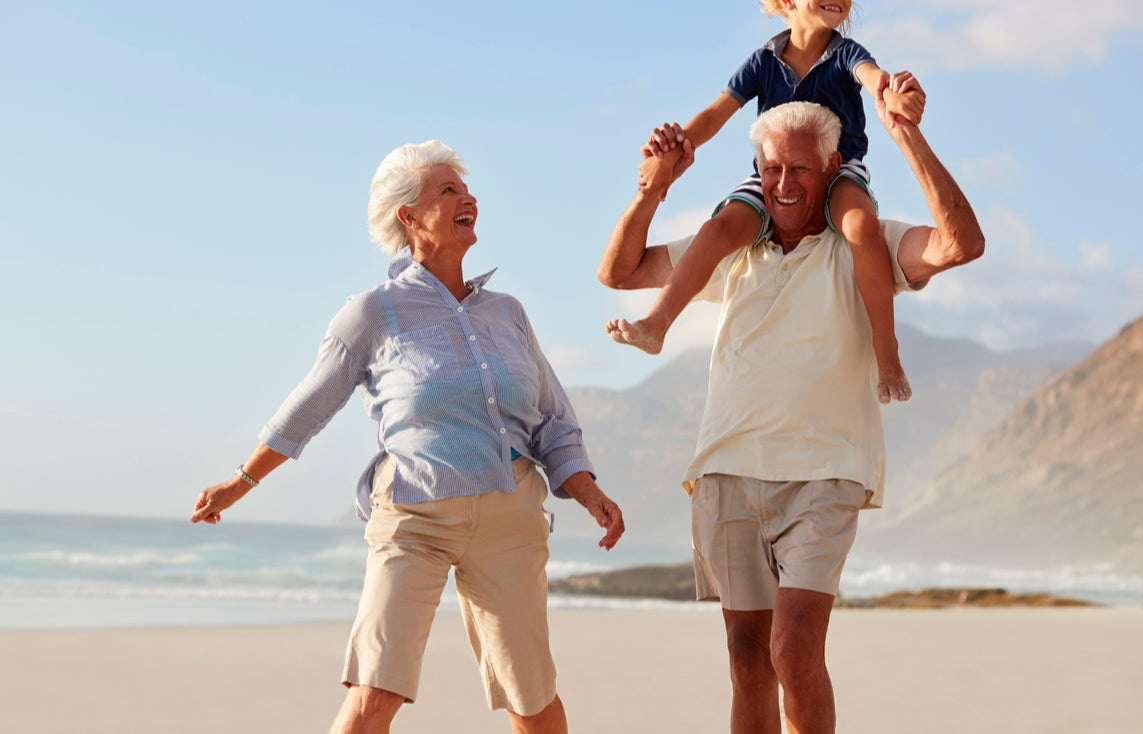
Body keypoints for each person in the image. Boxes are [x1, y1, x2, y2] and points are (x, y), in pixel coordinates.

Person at [191, 140, 624, 734]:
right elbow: (310, 403)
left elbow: (552, 418)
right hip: (414, 516)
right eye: (447, 190)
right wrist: (241, 480)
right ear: (409, 218)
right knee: (376, 692)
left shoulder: (509, 313)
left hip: (509, 521)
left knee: (533, 699)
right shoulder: (373, 313)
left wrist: (588, 489)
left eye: (466, 190)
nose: (466, 197)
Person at [597, 100, 983, 732]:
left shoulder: (869, 245)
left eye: (800, 169)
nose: (783, 184)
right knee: (748, 662)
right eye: (770, 168)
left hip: (825, 475)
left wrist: (907, 134)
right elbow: (619, 272)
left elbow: (960, 244)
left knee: (794, 649)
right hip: (726, 471)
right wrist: (652, 187)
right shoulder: (735, 244)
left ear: (833, 167)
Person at [605, 0, 924, 404]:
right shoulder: (763, 61)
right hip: (775, 175)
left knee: (861, 227)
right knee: (716, 229)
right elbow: (714, 115)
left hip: (840, 168)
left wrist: (893, 95)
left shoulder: (847, 54)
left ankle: (888, 354)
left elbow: (874, 78)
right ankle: (657, 322)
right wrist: (670, 151)